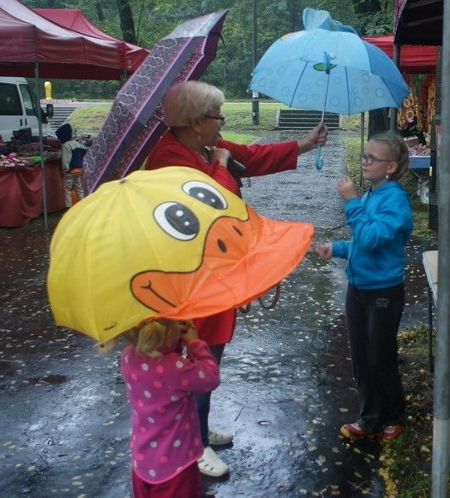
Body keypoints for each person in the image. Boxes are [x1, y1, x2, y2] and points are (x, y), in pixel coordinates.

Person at [145, 80, 328, 478]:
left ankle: (197, 424)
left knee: (209, 352)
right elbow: (213, 205)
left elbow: (254, 155)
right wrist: (222, 166)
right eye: (217, 116)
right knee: (195, 354)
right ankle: (193, 444)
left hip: (212, 274)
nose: (222, 123)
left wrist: (305, 144)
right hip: (187, 281)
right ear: (195, 122)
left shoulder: (205, 146)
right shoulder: (168, 157)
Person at [314, 132, 413, 442]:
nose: (365, 161)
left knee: (379, 355)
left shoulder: (395, 201)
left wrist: (351, 200)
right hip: (358, 288)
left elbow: (371, 237)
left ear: (391, 167)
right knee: (359, 354)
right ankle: (369, 417)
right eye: (364, 156)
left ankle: (394, 415)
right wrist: (337, 248)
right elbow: (361, 242)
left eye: (372, 158)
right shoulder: (372, 194)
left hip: (384, 291)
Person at [118, 318, 220, 498]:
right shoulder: (174, 367)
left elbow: (161, 368)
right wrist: (194, 342)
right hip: (177, 467)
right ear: (169, 333)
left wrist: (172, 343)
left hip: (142, 462)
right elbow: (210, 377)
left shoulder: (127, 356)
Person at [55, 123, 87, 207]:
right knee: (79, 188)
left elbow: (66, 159)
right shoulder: (77, 143)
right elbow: (84, 150)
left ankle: (68, 207)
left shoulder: (66, 145)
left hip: (70, 172)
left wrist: (65, 170)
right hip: (79, 170)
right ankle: (82, 205)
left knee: (67, 189)